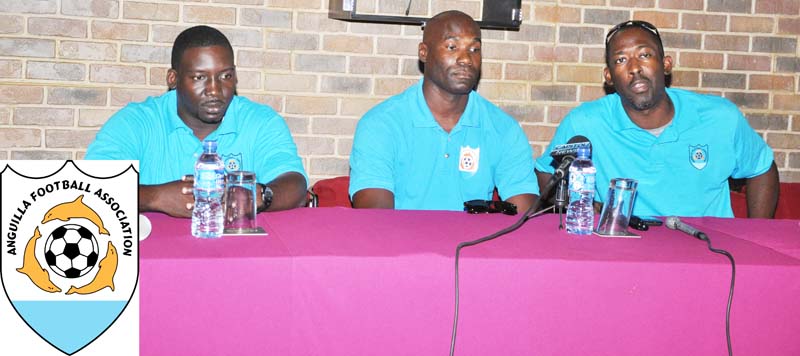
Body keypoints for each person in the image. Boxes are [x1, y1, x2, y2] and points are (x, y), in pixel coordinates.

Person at [535, 20, 779, 218]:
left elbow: (761, 168)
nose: (634, 68)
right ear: (609, 76)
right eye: (621, 60)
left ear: (665, 64)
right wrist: (579, 206)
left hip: (708, 253)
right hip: (619, 253)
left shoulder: (719, 117)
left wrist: (756, 236)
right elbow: (547, 172)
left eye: (644, 55)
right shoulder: (584, 123)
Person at [86, 25, 307, 218]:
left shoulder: (261, 121)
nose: (215, 89)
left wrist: (257, 195)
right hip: (154, 258)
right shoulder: (136, 121)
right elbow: (90, 187)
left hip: (238, 257)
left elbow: (295, 184)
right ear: (173, 79)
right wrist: (155, 197)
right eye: (199, 77)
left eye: (225, 76)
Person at [348, 10, 539, 213]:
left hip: (475, 243)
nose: (466, 59)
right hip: (402, 242)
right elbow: (375, 220)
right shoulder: (381, 125)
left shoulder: (503, 128)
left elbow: (523, 215)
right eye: (452, 47)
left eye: (474, 49)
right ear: (424, 53)